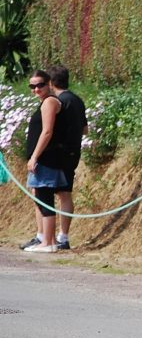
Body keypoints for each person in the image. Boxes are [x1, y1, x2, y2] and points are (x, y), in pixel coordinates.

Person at [22, 69, 66, 253]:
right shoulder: (46, 102)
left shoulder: (49, 102)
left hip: (46, 158)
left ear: (49, 83)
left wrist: (34, 156)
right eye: (32, 86)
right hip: (45, 159)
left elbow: (47, 131)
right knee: (41, 196)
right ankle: (48, 240)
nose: (36, 89)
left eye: (40, 85)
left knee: (44, 196)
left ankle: (48, 242)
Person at [48, 65, 86, 251]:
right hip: (74, 151)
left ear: (51, 82)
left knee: (46, 192)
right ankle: (64, 235)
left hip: (60, 152)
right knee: (66, 193)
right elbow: (85, 129)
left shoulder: (58, 102)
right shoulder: (78, 100)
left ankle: (49, 236)